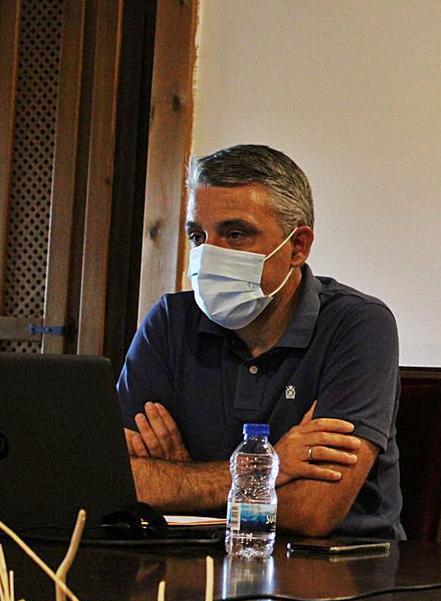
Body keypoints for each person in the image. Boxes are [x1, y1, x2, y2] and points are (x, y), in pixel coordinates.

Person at [118, 144, 403, 538]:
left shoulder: (359, 325)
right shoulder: (170, 321)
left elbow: (310, 513)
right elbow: (117, 483)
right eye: (198, 236)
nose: (210, 254)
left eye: (236, 234)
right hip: (193, 564)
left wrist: (183, 481)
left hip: (333, 574)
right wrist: (272, 468)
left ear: (297, 247)